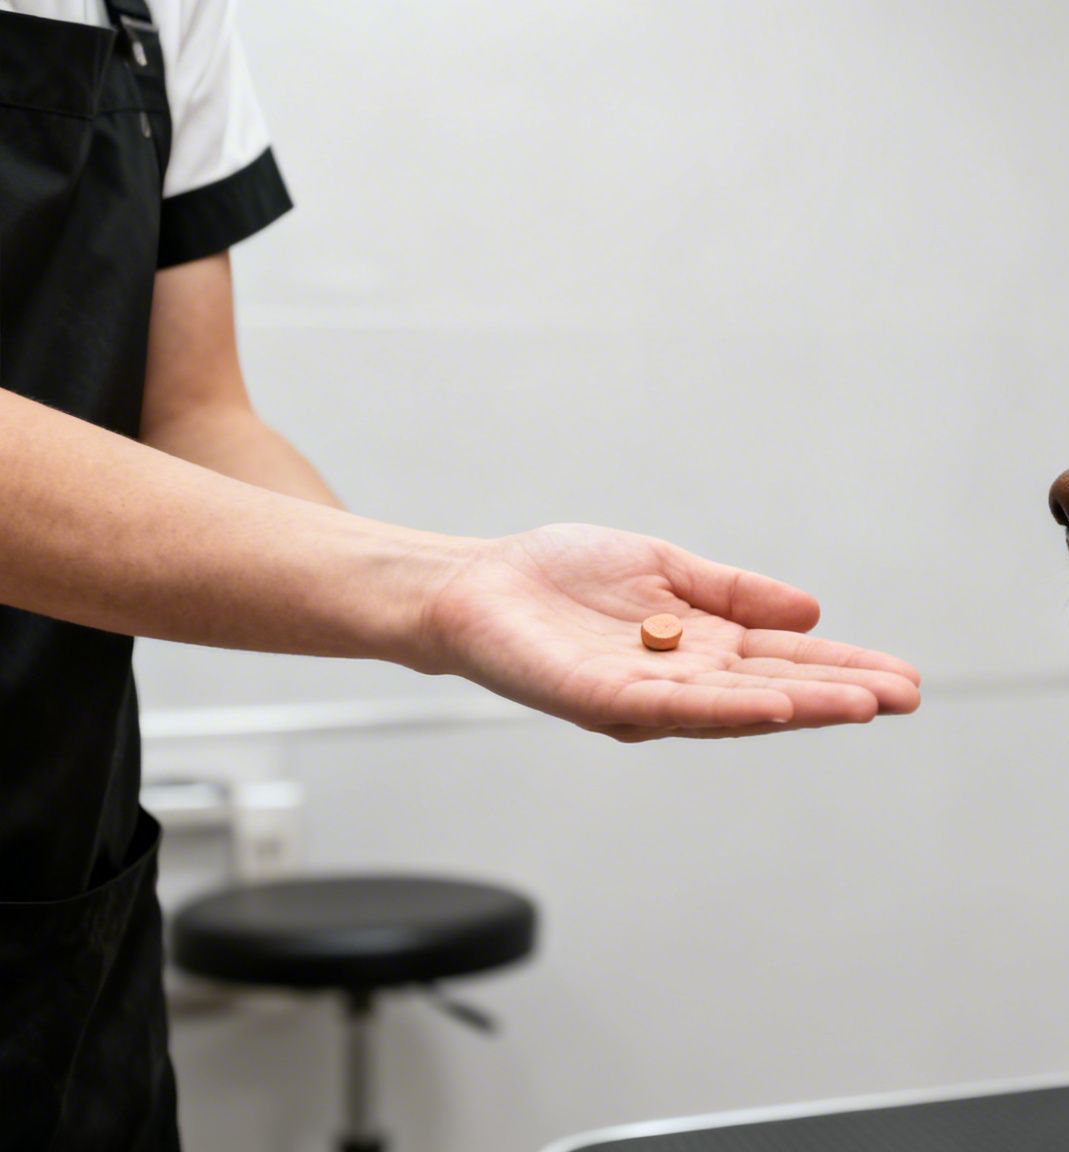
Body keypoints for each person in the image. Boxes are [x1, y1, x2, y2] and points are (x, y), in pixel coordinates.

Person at [0, 1, 921, 1147]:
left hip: (52, 907)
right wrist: (424, 592)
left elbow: (191, 410)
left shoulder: (155, 9)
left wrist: (462, 581)